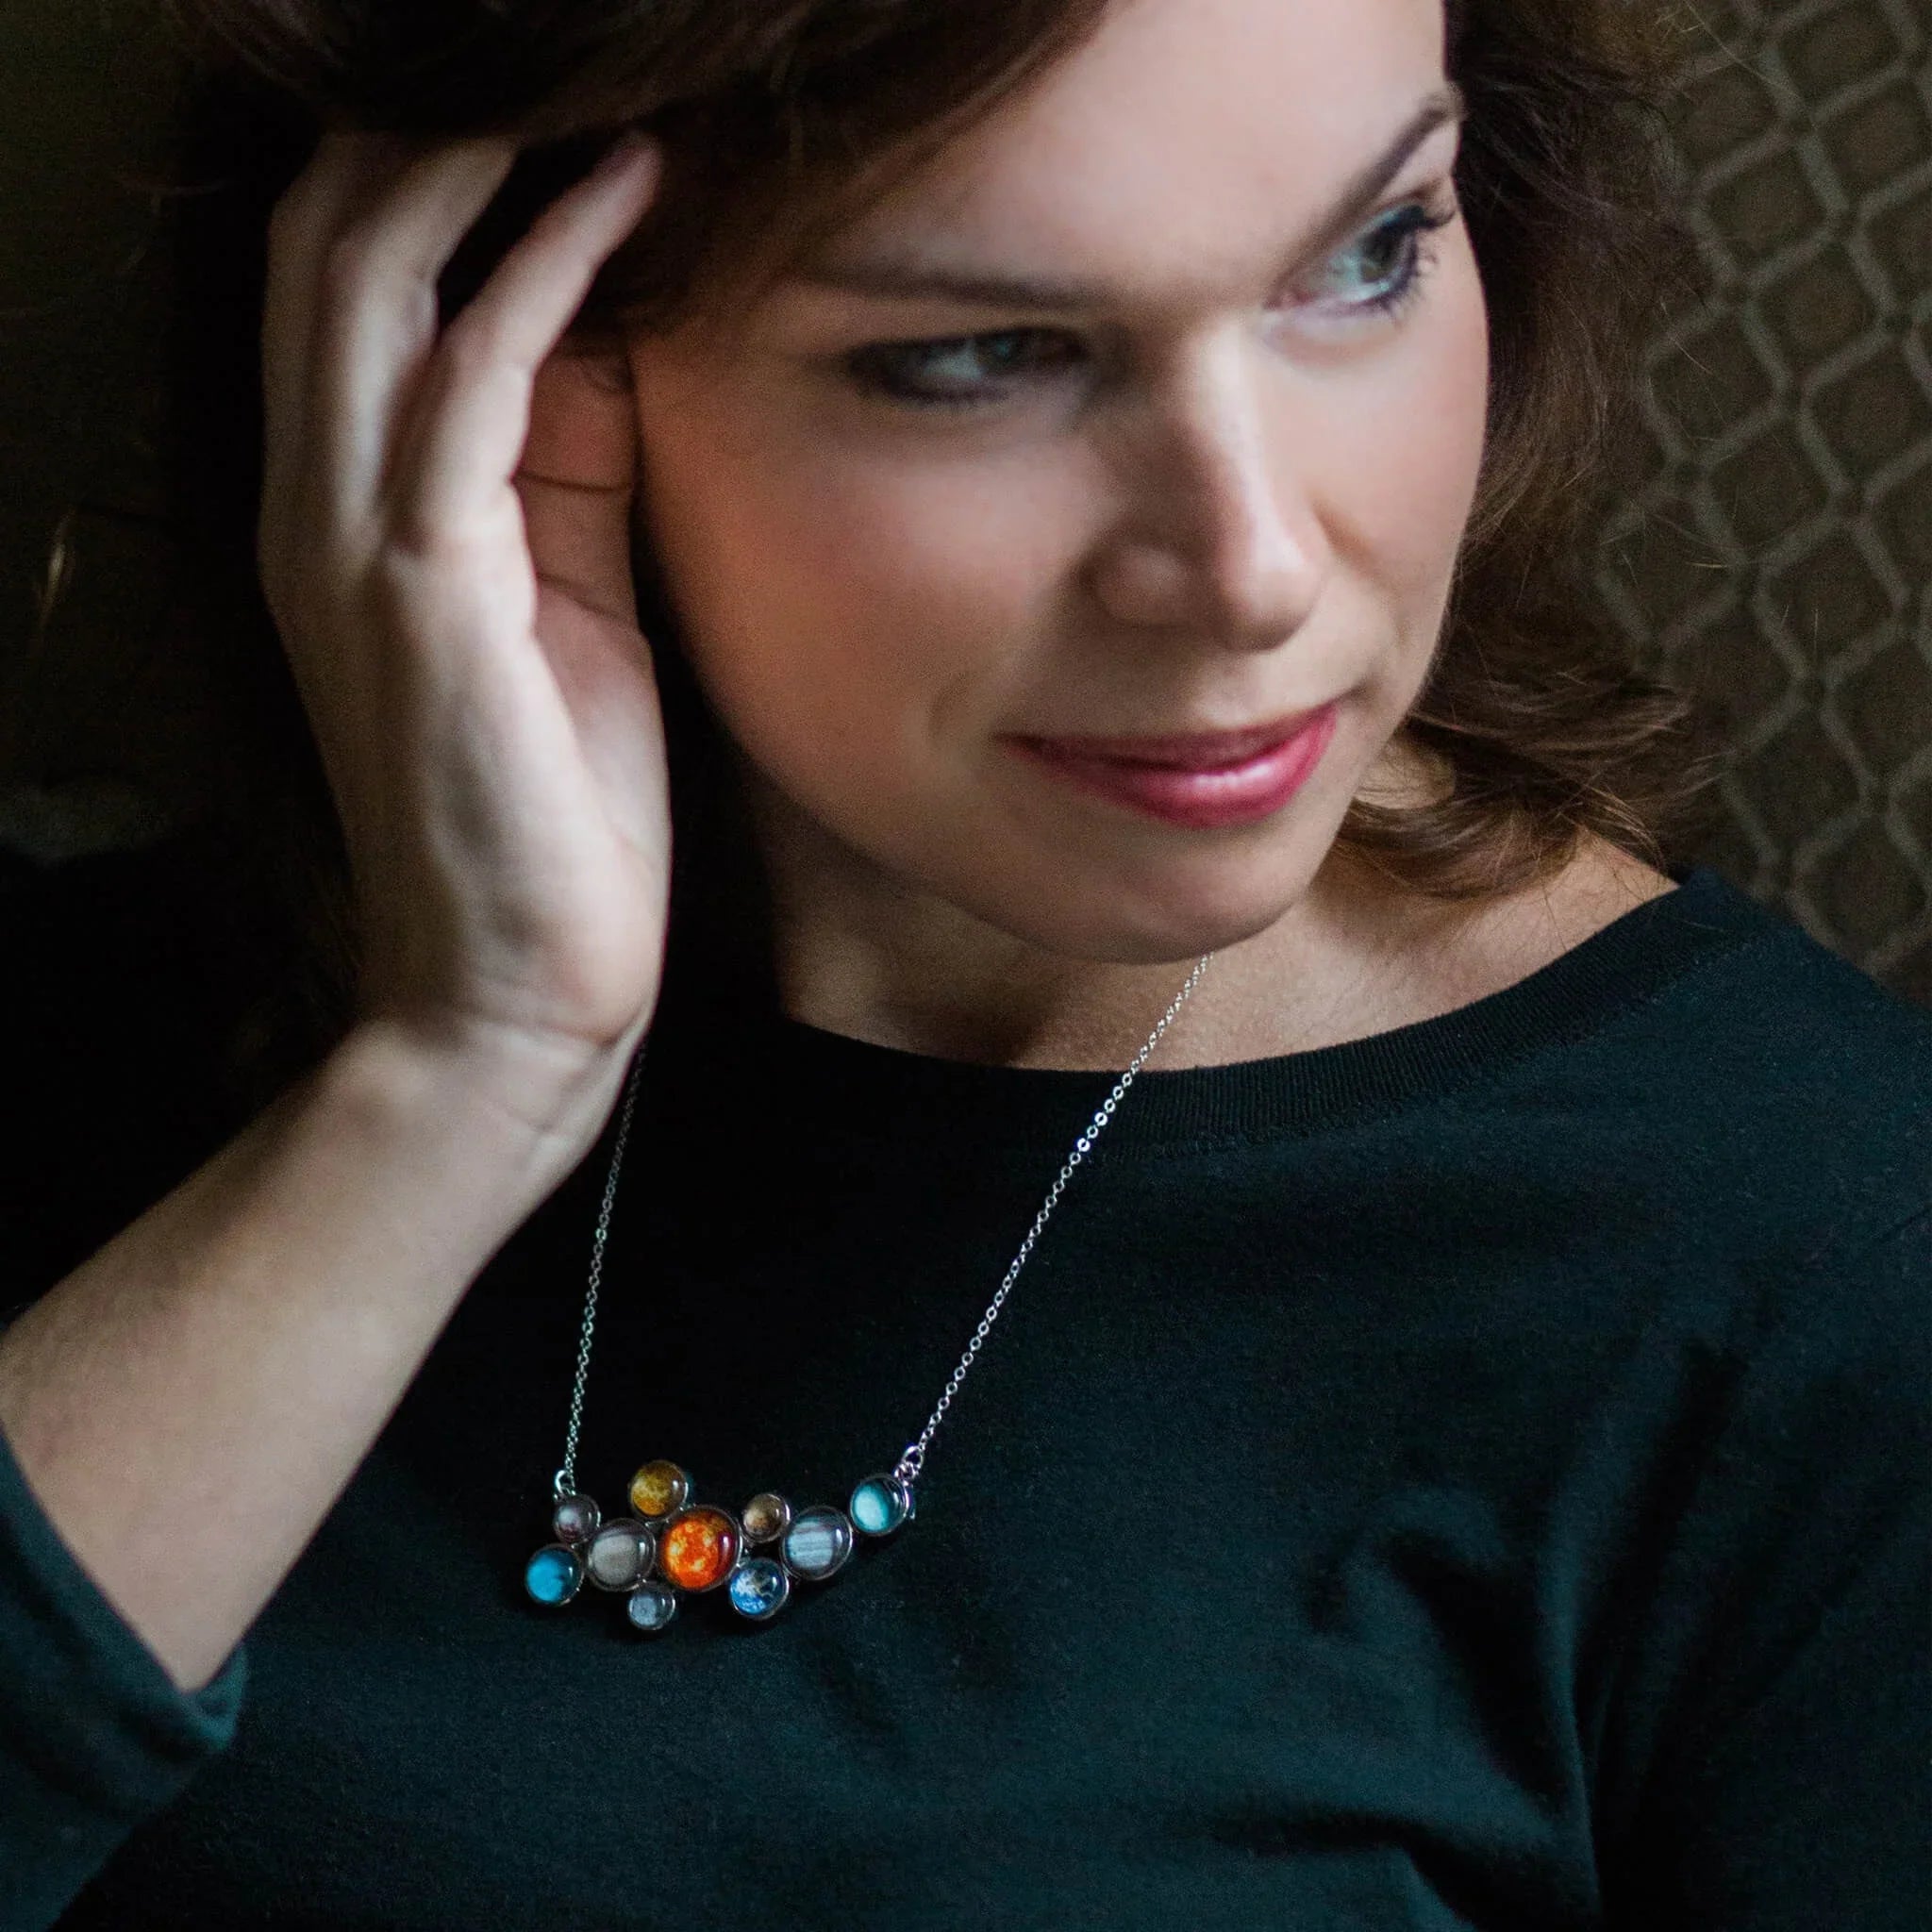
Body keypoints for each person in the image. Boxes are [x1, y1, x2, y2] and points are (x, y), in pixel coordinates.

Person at [1, 0, 1924, 1924]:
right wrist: (455, 1073)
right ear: (494, 353)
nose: (1252, 562)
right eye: (982, 356)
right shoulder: (118, 1043)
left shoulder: (1814, 1265)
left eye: (1367, 256)